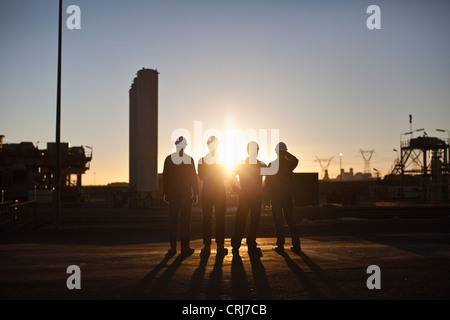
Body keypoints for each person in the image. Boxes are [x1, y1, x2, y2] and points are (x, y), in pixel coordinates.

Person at [163, 136, 199, 255]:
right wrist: (196, 193)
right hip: (185, 194)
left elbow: (165, 178)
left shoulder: (169, 159)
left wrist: (165, 192)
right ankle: (185, 247)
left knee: (173, 221)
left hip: (173, 194)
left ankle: (173, 247)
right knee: (185, 221)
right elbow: (194, 178)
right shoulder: (189, 159)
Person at [265, 142, 301, 254]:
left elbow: (267, 183)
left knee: (278, 221)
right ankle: (296, 244)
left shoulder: (272, 165)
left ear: (276, 152)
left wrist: (266, 196)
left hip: (276, 197)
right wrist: (286, 153)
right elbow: (296, 160)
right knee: (289, 219)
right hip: (287, 197)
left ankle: (280, 245)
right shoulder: (289, 164)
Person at [231, 141, 266, 256]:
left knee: (241, 220)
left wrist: (237, 189)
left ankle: (236, 244)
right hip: (253, 196)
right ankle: (250, 245)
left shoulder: (241, 165)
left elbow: (231, 177)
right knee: (252, 221)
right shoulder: (260, 165)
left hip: (245, 196)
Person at [198, 136, 228, 256]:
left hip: (209, 191)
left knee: (209, 219)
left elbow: (202, 176)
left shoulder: (202, 161)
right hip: (218, 191)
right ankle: (217, 246)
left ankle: (208, 247)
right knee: (216, 219)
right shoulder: (221, 160)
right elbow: (225, 175)